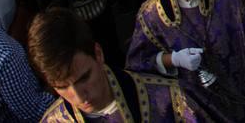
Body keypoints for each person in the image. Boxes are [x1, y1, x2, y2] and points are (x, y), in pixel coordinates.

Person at [28, 8, 186, 123]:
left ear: (98, 54)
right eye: (62, 87)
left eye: (84, 78)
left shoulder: (170, 101)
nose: (79, 96)